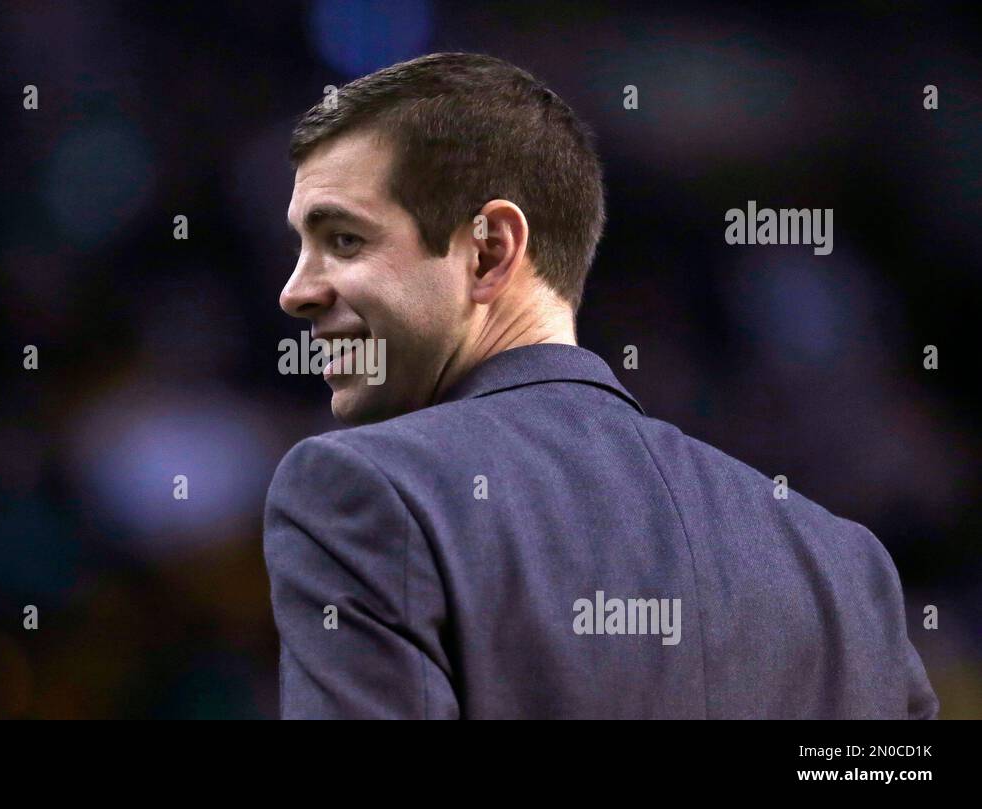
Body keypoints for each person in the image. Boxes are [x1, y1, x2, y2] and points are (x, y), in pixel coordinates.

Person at [263, 52, 937, 719]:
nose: (297, 292)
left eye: (345, 240)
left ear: (490, 249)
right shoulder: (845, 566)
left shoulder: (366, 491)